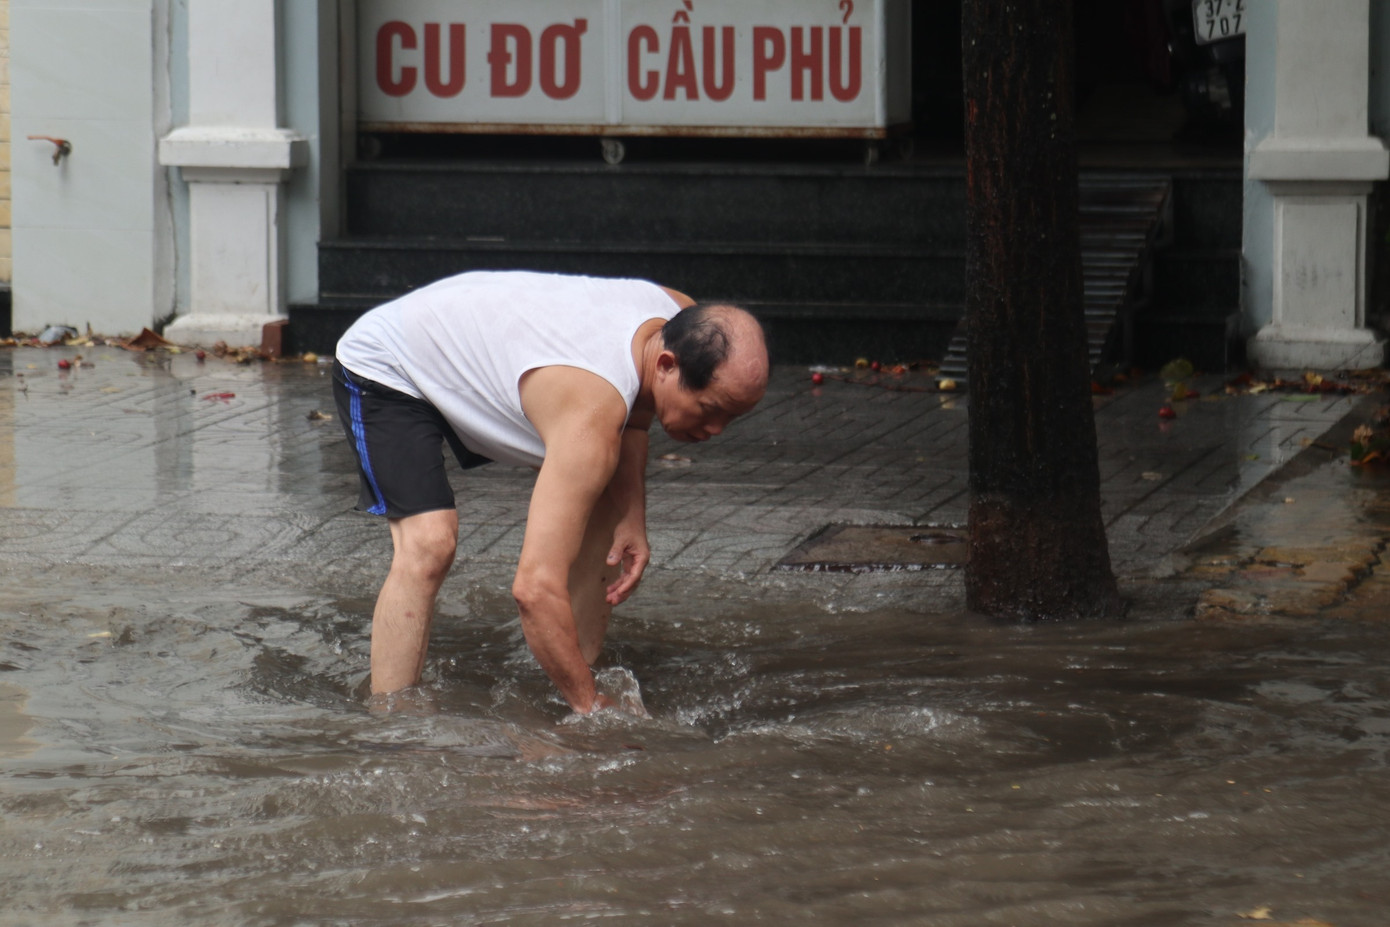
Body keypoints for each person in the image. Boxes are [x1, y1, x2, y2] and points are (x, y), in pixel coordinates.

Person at [332, 270, 769, 714]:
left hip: (475, 336)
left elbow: (637, 413)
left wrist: (631, 515)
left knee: (607, 505)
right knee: (429, 544)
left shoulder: (681, 317)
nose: (716, 430)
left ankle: (570, 668)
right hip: (391, 363)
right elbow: (533, 589)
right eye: (712, 411)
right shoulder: (590, 419)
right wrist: (592, 710)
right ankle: (390, 722)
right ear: (666, 365)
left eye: (733, 418)